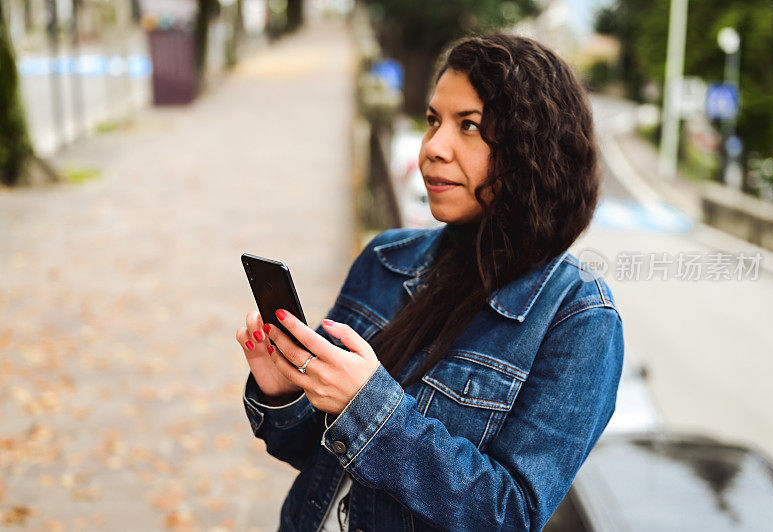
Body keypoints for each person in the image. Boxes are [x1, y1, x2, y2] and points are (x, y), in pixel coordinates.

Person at [236, 33, 624, 532]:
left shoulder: (577, 320)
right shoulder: (386, 259)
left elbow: (509, 515)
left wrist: (369, 407)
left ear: (536, 148)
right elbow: (316, 456)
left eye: (470, 126)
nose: (433, 149)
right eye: (433, 121)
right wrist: (284, 393)